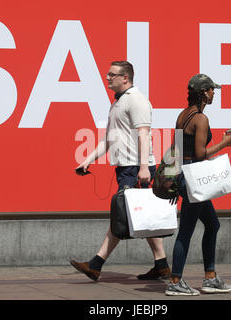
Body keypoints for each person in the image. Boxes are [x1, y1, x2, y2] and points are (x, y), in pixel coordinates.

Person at [70, 61, 171, 281]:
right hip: (127, 167)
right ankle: (162, 265)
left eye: (112, 74)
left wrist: (144, 168)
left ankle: (96, 264)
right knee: (141, 217)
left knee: (121, 216)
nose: (107, 77)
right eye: (108, 74)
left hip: (136, 168)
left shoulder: (136, 100)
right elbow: (109, 139)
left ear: (125, 78)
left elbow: (144, 134)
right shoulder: (118, 103)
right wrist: (87, 160)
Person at [165, 74, 231, 296]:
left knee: (212, 225)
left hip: (184, 178)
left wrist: (175, 182)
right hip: (194, 180)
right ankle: (175, 281)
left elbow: (175, 151)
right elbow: (200, 154)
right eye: (212, 90)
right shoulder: (201, 120)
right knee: (185, 231)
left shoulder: (182, 115)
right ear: (204, 93)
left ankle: (210, 277)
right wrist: (224, 144)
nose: (214, 93)